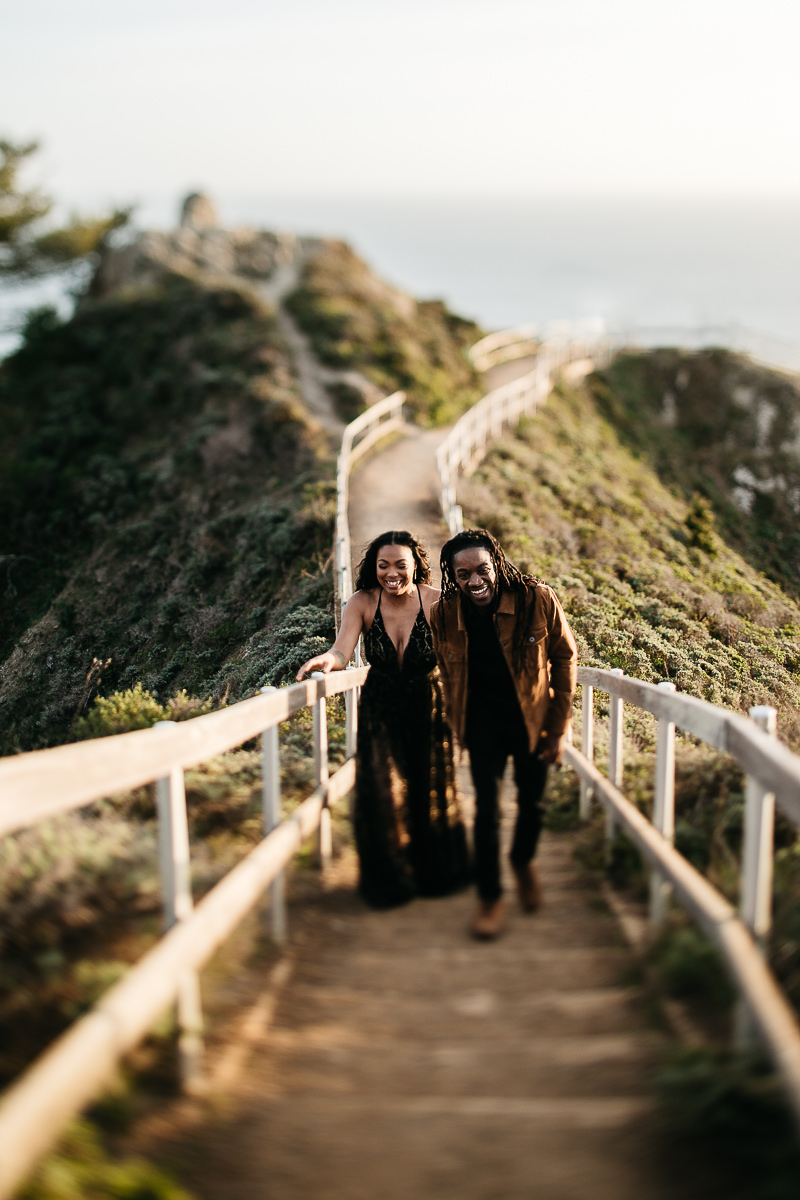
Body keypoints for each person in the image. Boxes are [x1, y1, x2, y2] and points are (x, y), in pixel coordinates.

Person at [296, 530, 469, 908]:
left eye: (400, 565)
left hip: (429, 700)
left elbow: (462, 653)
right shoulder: (362, 602)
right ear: (374, 568)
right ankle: (389, 879)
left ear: (415, 566)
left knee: (430, 785)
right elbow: (342, 650)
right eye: (383, 565)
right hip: (381, 703)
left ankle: (433, 873)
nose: (392, 573)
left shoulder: (437, 601)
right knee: (380, 787)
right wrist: (327, 661)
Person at [431, 528, 577, 940]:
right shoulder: (445, 613)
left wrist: (557, 729)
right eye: (463, 574)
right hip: (481, 727)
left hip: (532, 723)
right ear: (452, 575)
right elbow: (444, 667)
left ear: (496, 563)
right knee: (487, 813)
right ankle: (490, 897)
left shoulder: (537, 599)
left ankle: (523, 861)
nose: (474, 581)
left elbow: (565, 660)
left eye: (482, 570)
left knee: (533, 805)